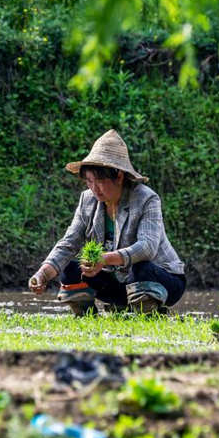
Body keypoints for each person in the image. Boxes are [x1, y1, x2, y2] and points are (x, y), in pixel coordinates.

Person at [28, 129, 186, 315]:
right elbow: (68, 243)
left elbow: (147, 247)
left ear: (118, 176)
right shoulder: (87, 200)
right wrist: (43, 274)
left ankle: (149, 310)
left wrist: (105, 259)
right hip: (118, 280)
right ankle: (88, 313)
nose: (95, 188)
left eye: (100, 181)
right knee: (71, 267)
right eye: (89, 181)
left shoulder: (146, 198)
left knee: (141, 268)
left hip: (161, 279)